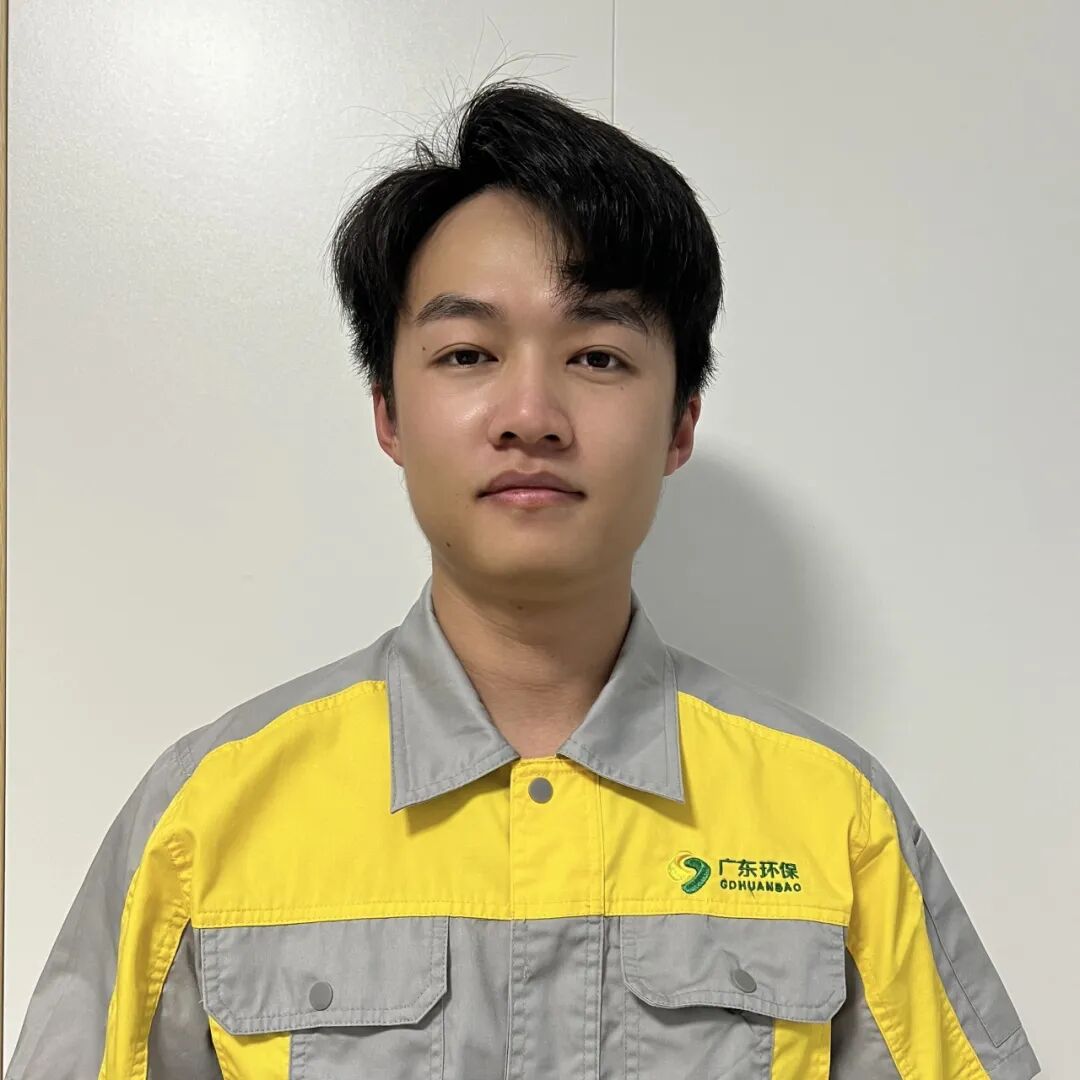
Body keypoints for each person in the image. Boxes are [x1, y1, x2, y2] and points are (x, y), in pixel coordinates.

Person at [6, 78, 1040, 1080]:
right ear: (389, 414)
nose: (531, 415)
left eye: (598, 357)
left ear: (680, 423)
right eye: (467, 353)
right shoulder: (211, 814)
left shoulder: (836, 817)